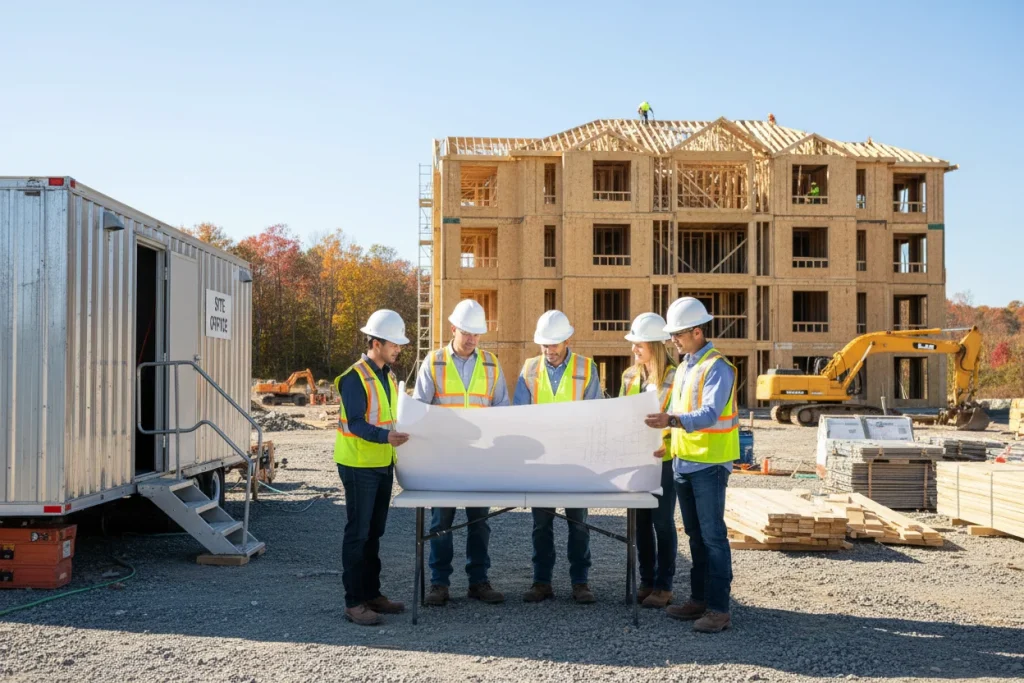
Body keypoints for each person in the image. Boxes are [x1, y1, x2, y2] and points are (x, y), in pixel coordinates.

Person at [644, 297, 739, 633]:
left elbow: (710, 413)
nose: (673, 341)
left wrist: (670, 419)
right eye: (672, 336)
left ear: (698, 332)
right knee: (696, 538)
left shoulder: (718, 367)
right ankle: (699, 600)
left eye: (679, 335)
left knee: (713, 537)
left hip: (710, 465)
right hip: (685, 463)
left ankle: (718, 609)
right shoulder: (685, 367)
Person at [413, 299, 510, 607]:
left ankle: (478, 581)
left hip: (480, 459)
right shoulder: (435, 361)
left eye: (477, 334)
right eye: (467, 332)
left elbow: (502, 410)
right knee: (441, 522)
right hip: (444, 459)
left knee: (479, 522)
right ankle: (439, 584)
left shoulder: (492, 364)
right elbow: (418, 410)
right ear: (453, 328)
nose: (471, 339)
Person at [514, 310, 602, 604]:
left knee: (578, 523)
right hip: (541, 462)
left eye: (554, 344)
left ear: (567, 339)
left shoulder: (586, 368)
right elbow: (520, 415)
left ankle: (580, 582)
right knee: (541, 524)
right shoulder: (528, 369)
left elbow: (595, 416)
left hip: (577, 461)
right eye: (544, 345)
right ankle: (541, 582)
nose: (549, 350)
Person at [333, 309, 411, 626]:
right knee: (358, 534)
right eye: (394, 343)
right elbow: (355, 424)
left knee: (374, 534)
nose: (398, 349)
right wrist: (385, 437)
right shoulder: (354, 378)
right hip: (358, 464)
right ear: (376, 342)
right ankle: (354, 603)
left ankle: (372, 595)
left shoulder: (387, 376)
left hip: (381, 463)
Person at [619, 312, 678, 609]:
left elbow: (680, 420)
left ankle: (664, 586)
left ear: (655, 345)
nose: (634, 350)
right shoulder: (629, 376)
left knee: (662, 523)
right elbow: (622, 416)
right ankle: (646, 581)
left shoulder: (676, 377)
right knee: (639, 523)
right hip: (636, 462)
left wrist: (664, 445)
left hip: (665, 461)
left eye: (638, 345)